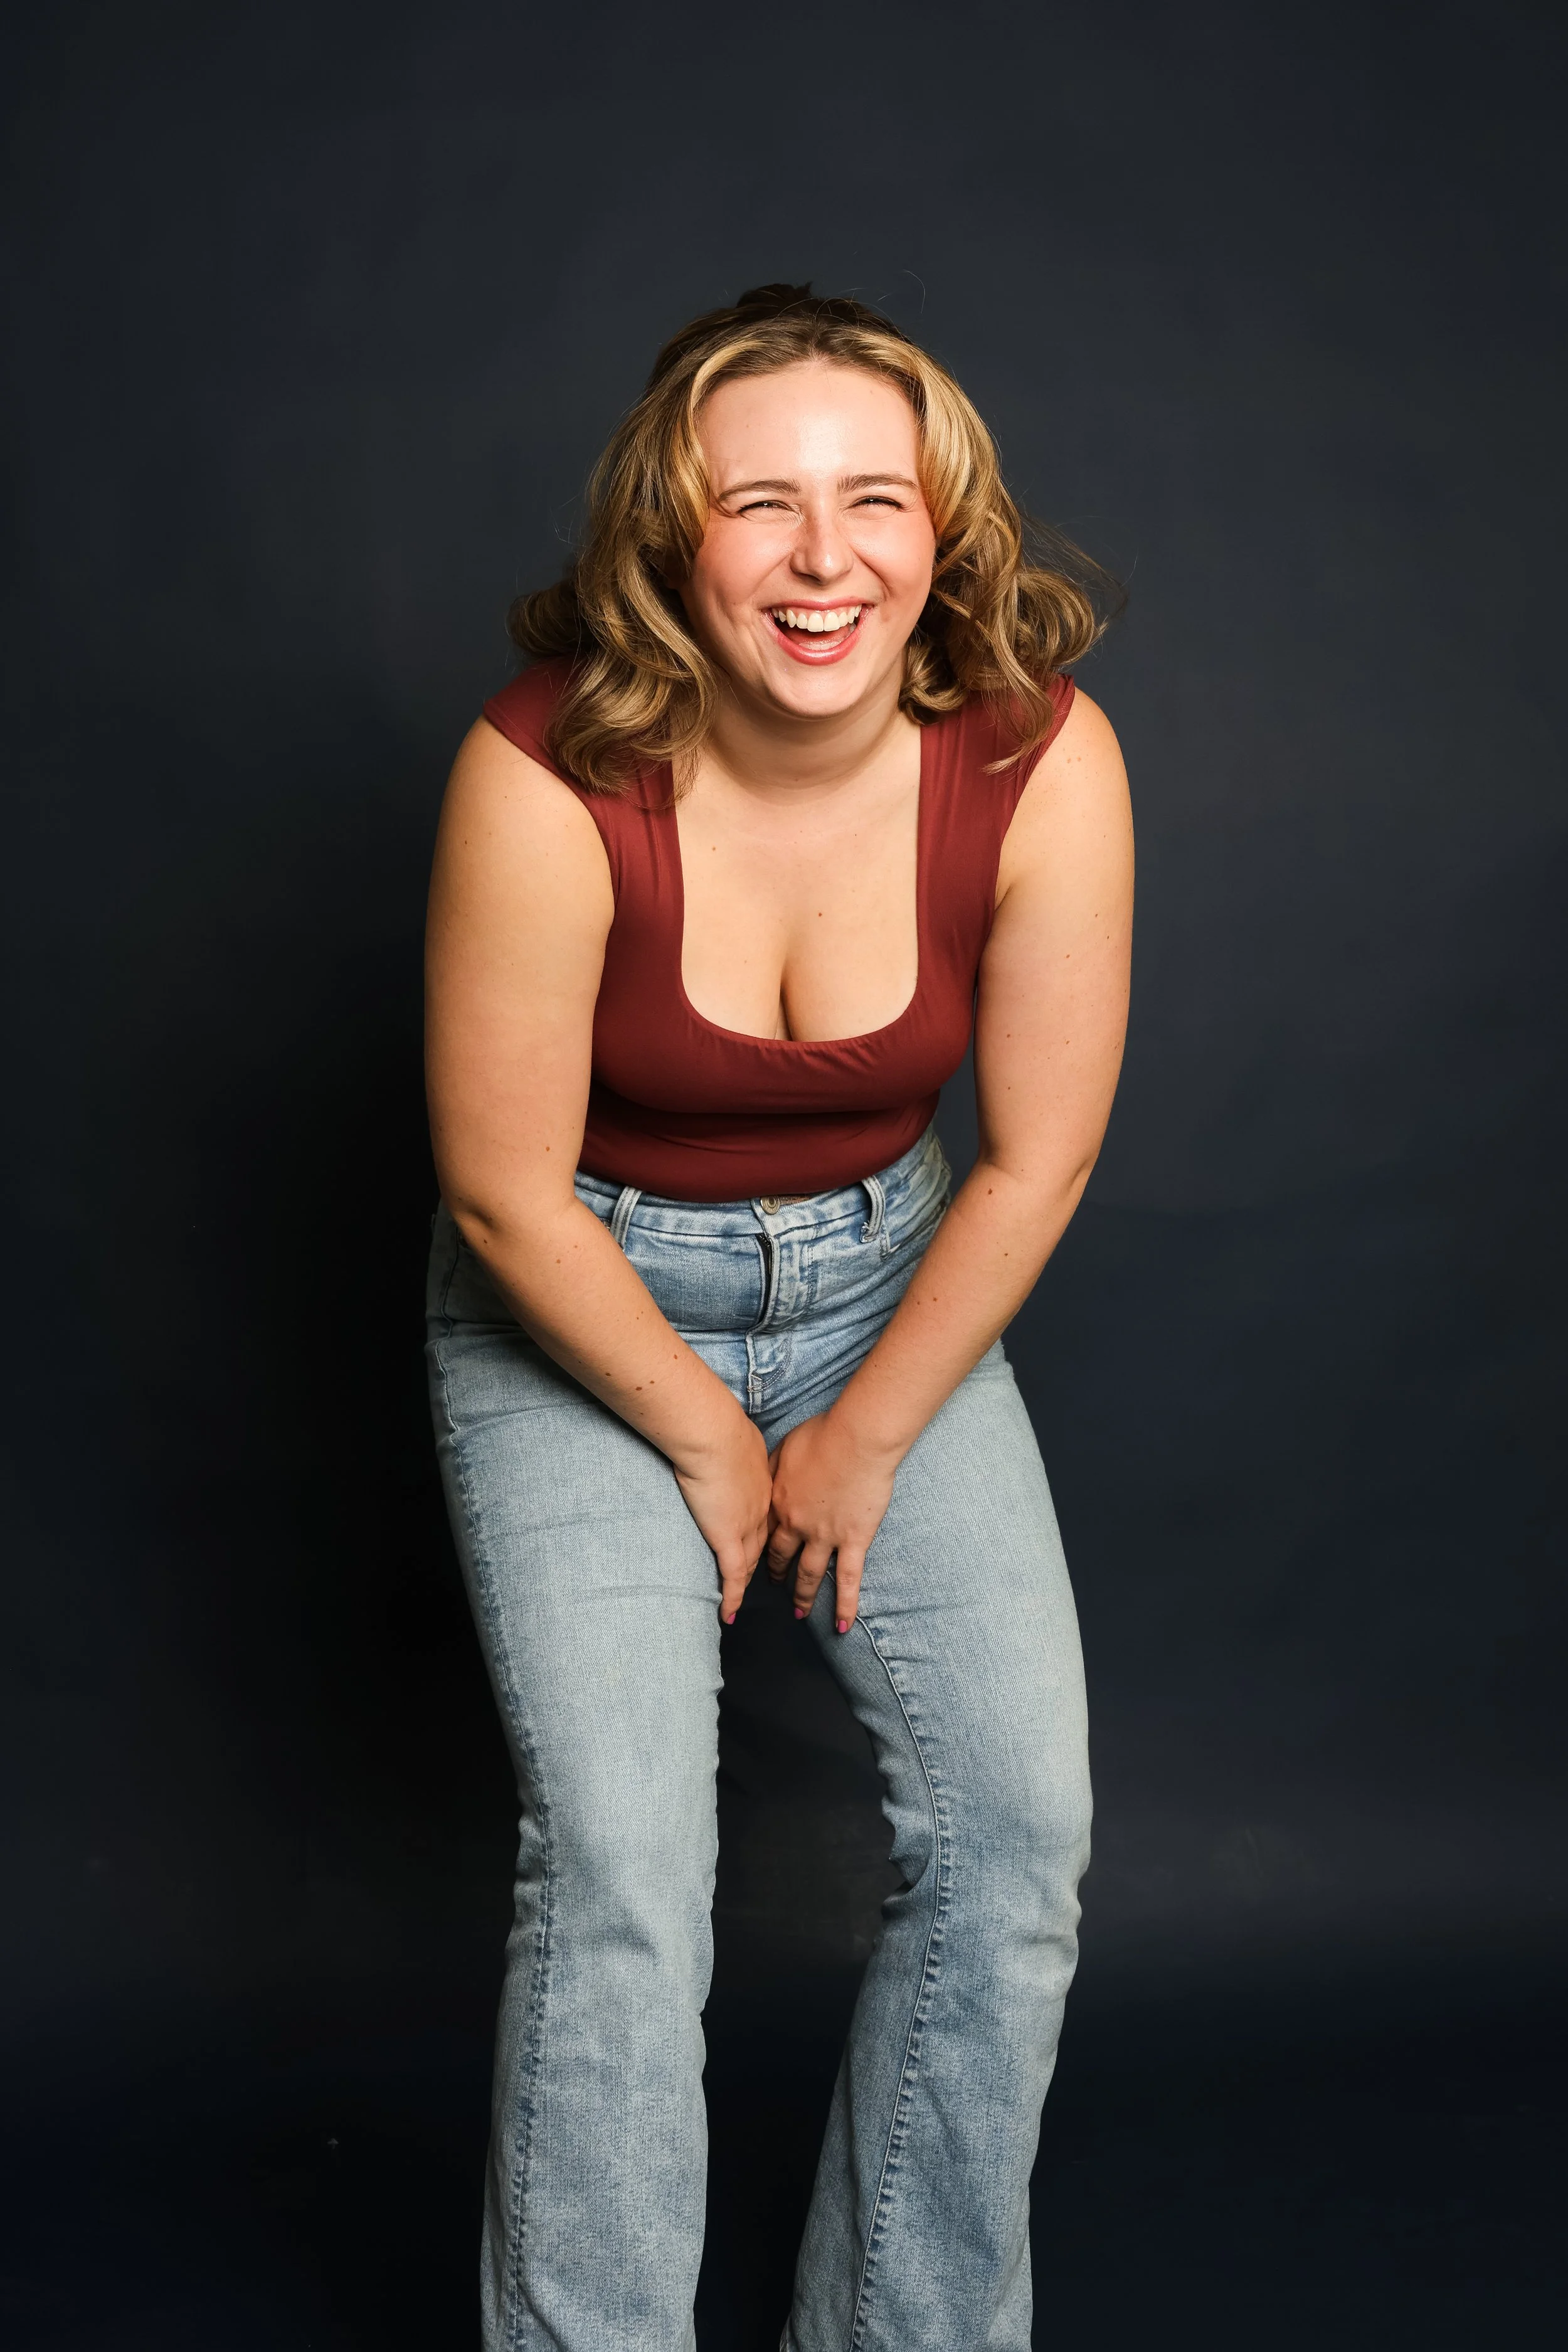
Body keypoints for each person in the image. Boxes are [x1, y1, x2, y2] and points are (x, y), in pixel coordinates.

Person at [423, 283, 1133, 2352]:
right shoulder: (545, 762)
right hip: (574, 1301)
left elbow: (1033, 1159)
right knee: (629, 1877)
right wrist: (712, 1434)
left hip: (888, 1291)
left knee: (1015, 1837)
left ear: (944, 528)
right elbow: (496, 1189)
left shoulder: (1038, 752)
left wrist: (860, 1426)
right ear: (673, 539)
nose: (822, 559)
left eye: (872, 501)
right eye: (759, 507)